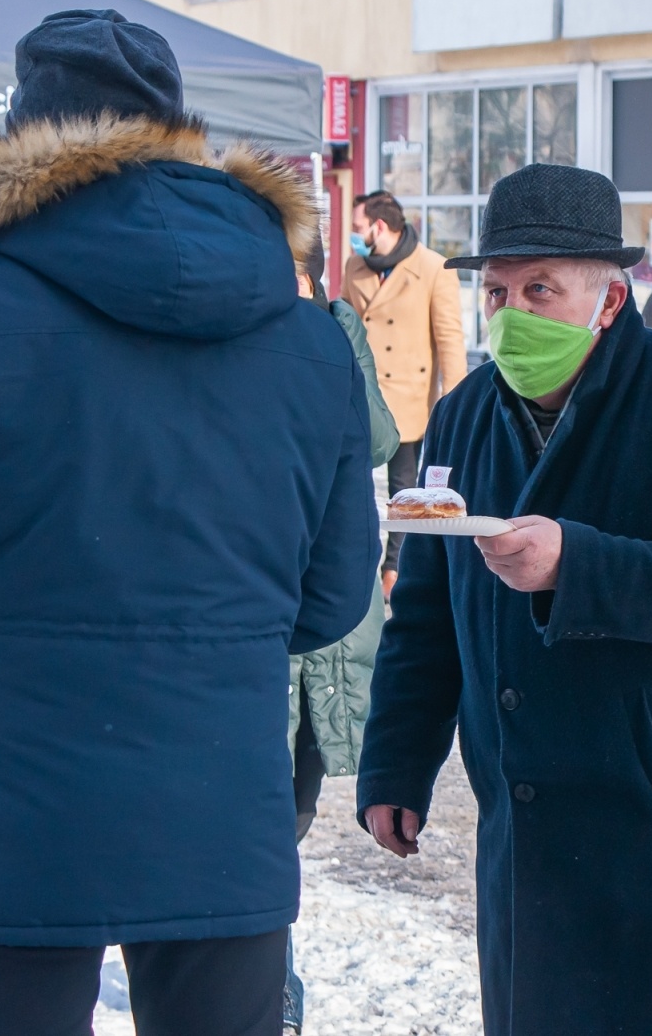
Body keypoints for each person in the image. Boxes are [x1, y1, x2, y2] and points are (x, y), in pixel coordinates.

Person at [0, 10, 378, 1036]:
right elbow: (333, 595)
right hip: (219, 798)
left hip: (12, 809)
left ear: (21, 146)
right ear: (175, 131)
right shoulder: (310, 336)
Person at [356, 163, 652, 1036]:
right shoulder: (466, 416)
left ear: (608, 298)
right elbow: (429, 612)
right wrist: (397, 762)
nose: (513, 314)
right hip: (527, 828)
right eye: (499, 291)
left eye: (541, 289)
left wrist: (577, 564)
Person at [282, 242, 398, 1035]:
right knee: (262, 820)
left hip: (327, 628)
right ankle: (270, 984)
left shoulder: (331, 328)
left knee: (288, 806)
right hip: (272, 630)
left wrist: (337, 336)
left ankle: (264, 979)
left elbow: (381, 440)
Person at [342, 189, 466, 601]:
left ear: (379, 226)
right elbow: (344, 329)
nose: (353, 236)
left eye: (358, 228)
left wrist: (457, 400)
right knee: (353, 481)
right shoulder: (355, 266)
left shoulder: (432, 267)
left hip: (410, 399)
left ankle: (396, 569)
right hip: (361, 393)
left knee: (404, 491)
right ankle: (354, 562)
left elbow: (449, 338)